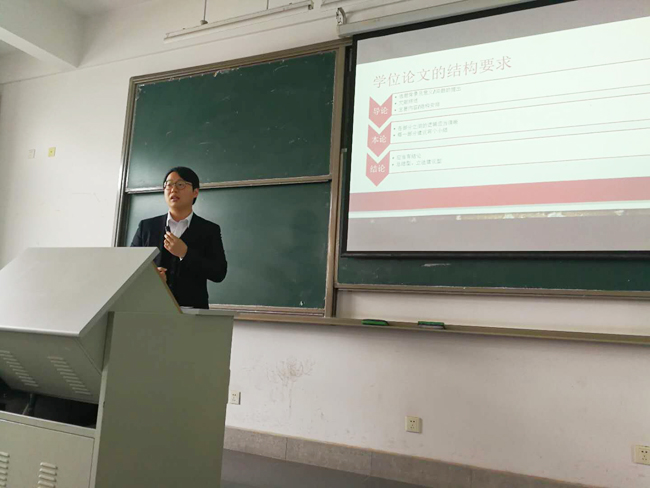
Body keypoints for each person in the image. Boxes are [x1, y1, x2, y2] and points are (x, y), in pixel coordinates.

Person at [130, 167, 227, 309]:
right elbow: (131, 267)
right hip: (150, 308)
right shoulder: (147, 227)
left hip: (192, 312)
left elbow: (219, 273)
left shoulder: (209, 230)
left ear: (195, 192)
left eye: (180, 185)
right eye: (168, 185)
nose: (173, 190)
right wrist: (151, 278)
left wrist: (185, 253)